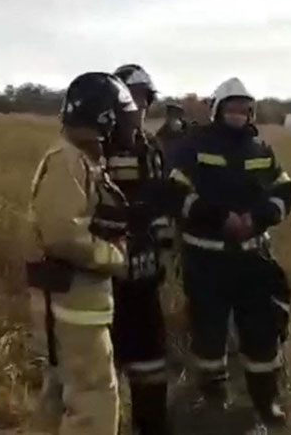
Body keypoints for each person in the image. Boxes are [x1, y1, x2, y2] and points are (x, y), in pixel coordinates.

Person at [166, 77, 291, 433]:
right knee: (209, 336)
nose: (238, 113)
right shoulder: (193, 147)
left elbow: (283, 188)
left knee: (262, 335)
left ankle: (266, 402)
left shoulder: (261, 148)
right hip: (206, 260)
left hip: (253, 259)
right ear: (217, 110)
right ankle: (212, 401)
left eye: (244, 107)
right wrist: (219, 218)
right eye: (232, 107)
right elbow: (176, 192)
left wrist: (260, 217)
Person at [26, 72, 139, 435]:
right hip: (75, 308)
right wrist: (116, 258)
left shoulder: (82, 161)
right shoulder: (68, 161)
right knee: (94, 402)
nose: (128, 126)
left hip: (71, 305)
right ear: (105, 117)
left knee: (60, 395)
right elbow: (63, 235)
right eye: (122, 116)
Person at [108, 63, 175, 435]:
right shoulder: (95, 146)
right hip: (103, 274)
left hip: (144, 275)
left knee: (151, 362)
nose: (140, 106)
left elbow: (162, 205)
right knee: (100, 368)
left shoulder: (152, 147)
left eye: (145, 99)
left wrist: (160, 254)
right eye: (133, 99)